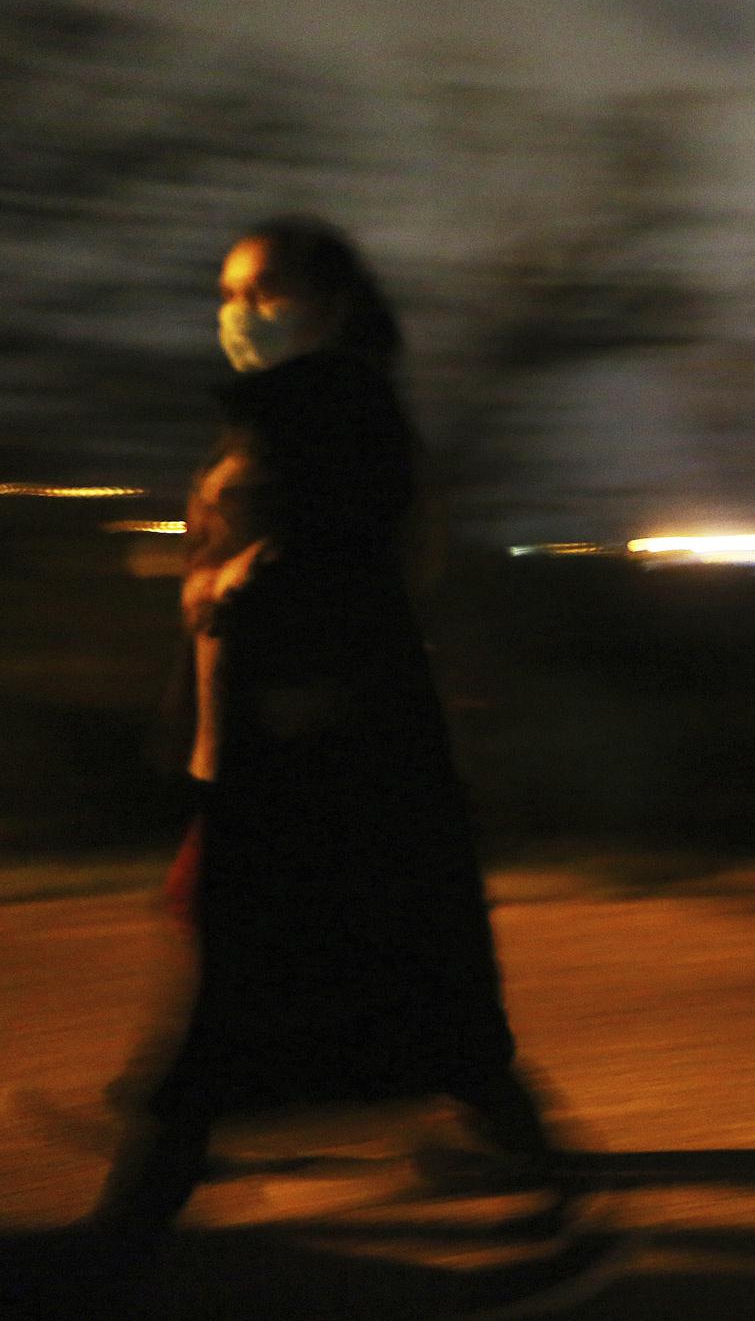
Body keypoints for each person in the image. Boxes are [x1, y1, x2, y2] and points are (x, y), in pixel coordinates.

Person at [92, 217, 562, 1254]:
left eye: (260, 292)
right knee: (384, 970)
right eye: (229, 293)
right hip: (266, 729)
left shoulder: (335, 407)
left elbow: (337, 566)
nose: (236, 315)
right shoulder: (296, 409)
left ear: (330, 302)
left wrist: (235, 588)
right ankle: (526, 1144)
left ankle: (138, 1203)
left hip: (308, 738)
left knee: (257, 983)